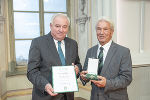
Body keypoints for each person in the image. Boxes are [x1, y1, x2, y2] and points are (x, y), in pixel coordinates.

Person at [27, 13, 82, 100]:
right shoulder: (38, 43)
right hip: (46, 96)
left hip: (68, 96)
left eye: (64, 27)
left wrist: (77, 69)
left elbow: (78, 64)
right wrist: (45, 85)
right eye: (57, 26)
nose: (61, 30)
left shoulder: (73, 44)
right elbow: (32, 71)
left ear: (68, 28)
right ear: (51, 26)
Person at [80, 17, 132, 100]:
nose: (101, 32)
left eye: (105, 29)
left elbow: (126, 78)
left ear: (111, 32)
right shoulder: (91, 51)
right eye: (99, 29)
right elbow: (86, 73)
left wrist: (107, 83)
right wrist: (83, 77)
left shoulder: (123, 52)